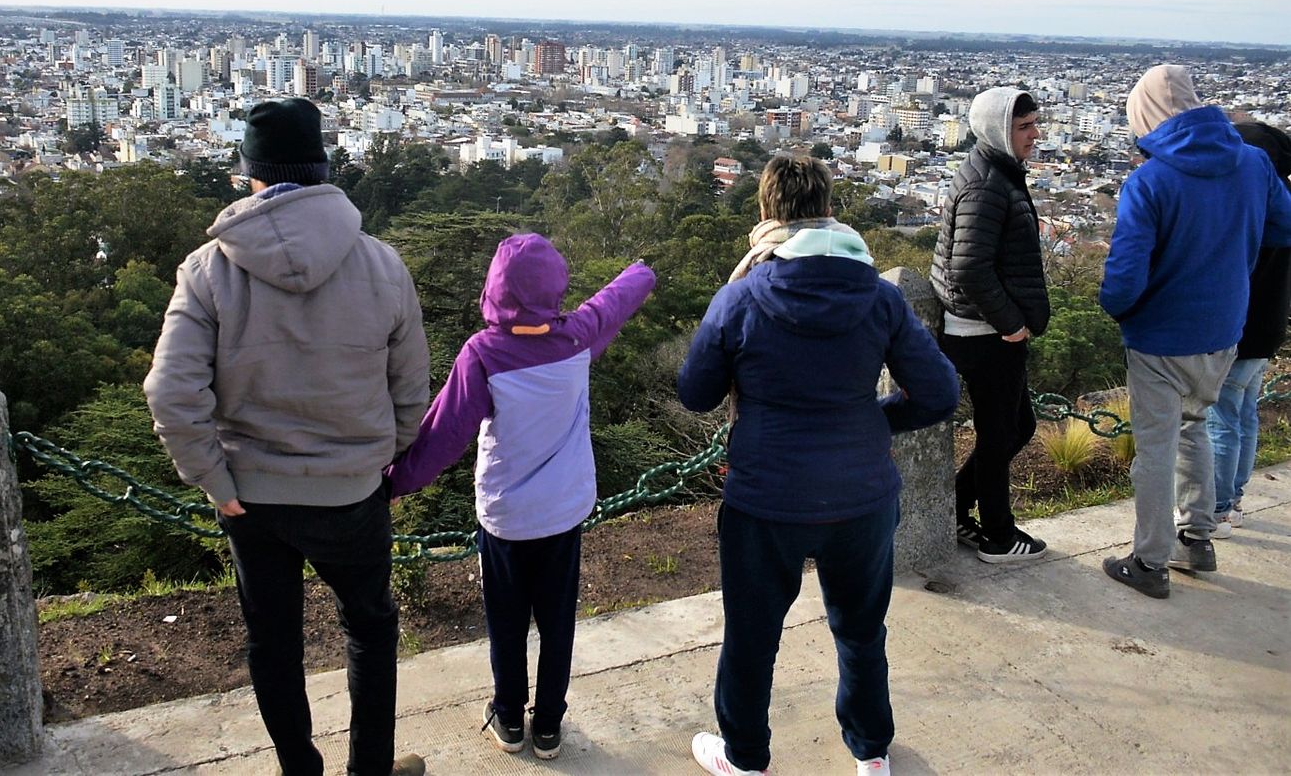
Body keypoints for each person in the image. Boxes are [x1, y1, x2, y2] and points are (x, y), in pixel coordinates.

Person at [144, 98, 430, 776]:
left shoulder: (208, 270)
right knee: (369, 627)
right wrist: (383, 455)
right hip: (352, 490)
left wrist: (213, 476)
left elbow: (169, 390)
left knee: (273, 641)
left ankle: (300, 770)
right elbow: (411, 386)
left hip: (251, 496)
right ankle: (371, 770)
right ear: (323, 168)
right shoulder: (382, 264)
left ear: (250, 174)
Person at [677, 156, 959, 776]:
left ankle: (746, 758)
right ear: (829, 209)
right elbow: (939, 394)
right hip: (861, 495)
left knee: (752, 637)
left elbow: (695, 391)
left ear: (765, 212)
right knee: (861, 632)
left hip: (765, 497)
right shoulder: (879, 297)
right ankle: (871, 754)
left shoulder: (742, 297)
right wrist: (871, 420)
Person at [387, 234, 654, 761]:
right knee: (557, 623)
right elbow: (614, 300)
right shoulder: (577, 337)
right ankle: (550, 726)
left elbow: (443, 434)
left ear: (493, 290)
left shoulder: (483, 354)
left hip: (506, 519)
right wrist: (643, 270)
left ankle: (509, 719)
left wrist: (394, 483)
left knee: (506, 624)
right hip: (563, 513)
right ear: (555, 286)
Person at [1099, 66, 1291, 599]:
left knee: (1156, 448)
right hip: (1225, 328)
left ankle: (1150, 560)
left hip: (1162, 334)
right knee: (1196, 427)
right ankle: (1197, 538)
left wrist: (1119, 308)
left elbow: (1126, 274)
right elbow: (1284, 223)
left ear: (1148, 117)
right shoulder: (1251, 162)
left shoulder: (1151, 179)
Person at [929, 87, 1051, 563]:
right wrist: (1010, 324)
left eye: (1034, 124)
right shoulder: (986, 184)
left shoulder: (996, 172)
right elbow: (969, 267)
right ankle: (1000, 536)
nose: (1034, 135)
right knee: (1000, 433)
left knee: (1017, 426)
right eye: (1023, 127)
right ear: (998, 130)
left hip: (988, 328)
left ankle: (958, 505)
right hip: (983, 332)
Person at [1209, 121, 1291, 537]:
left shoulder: (1252, 204)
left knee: (1221, 417)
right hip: (1269, 325)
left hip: (1240, 327)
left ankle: (1220, 508)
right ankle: (1235, 499)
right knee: (1244, 414)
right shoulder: (1283, 202)